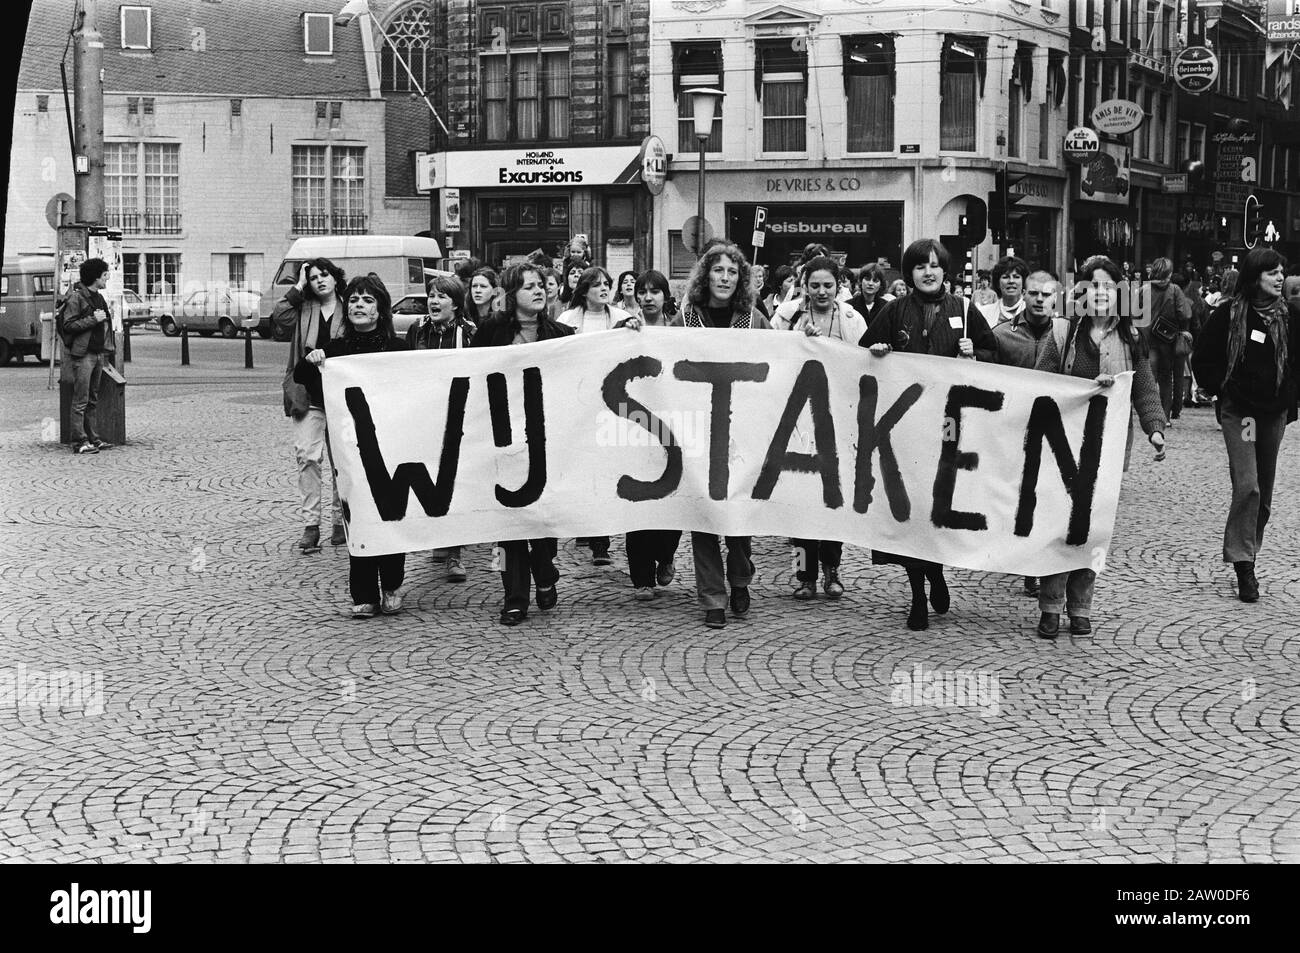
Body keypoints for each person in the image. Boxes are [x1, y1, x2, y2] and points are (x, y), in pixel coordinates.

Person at [860, 238, 997, 632]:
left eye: (935, 265)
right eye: (921, 266)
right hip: (905, 428)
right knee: (911, 510)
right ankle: (918, 592)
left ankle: (935, 572)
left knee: (940, 508)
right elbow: (863, 354)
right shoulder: (893, 310)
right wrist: (879, 351)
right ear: (910, 272)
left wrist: (977, 354)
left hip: (950, 427)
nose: (928, 272)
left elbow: (995, 358)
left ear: (945, 271)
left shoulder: (965, 311)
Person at [1033, 255, 1167, 638]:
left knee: (1093, 526)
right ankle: (1050, 605)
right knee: (1060, 523)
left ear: (1120, 292)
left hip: (1108, 446)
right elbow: (1040, 384)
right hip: (1064, 443)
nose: (1100, 293)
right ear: (1081, 292)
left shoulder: (1132, 337)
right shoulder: (1063, 333)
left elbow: (1144, 387)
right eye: (1093, 285)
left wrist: (1154, 428)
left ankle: (1080, 606)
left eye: (1108, 286)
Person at [292, 274, 408, 618]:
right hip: (351, 447)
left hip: (391, 442)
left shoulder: (398, 349)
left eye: (367, 300)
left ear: (380, 309)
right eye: (354, 299)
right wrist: (312, 359)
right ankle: (364, 593)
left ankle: (391, 584)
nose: (359, 305)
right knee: (357, 516)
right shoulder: (337, 350)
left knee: (390, 514)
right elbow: (302, 376)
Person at [1190, 247, 1298, 604]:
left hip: (1273, 414)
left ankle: (1249, 550)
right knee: (1248, 484)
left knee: (1263, 492)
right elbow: (1202, 357)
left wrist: (1292, 399)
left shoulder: (1291, 317)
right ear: (1255, 278)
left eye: (1281, 271)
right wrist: (1222, 388)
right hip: (1244, 414)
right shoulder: (1230, 315)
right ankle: (1243, 563)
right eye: (1272, 272)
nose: (1280, 277)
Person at [470, 263, 575, 625]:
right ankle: (514, 596)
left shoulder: (561, 333)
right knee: (508, 520)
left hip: (547, 439)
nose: (538, 291)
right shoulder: (490, 332)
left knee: (544, 517)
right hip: (503, 437)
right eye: (528, 286)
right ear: (511, 294)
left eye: (541, 285)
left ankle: (545, 572)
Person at [678, 242, 773, 629]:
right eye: (718, 271)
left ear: (741, 279)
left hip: (741, 430)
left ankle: (739, 577)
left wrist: (807, 337)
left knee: (736, 511)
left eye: (732, 272)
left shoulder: (753, 318)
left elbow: (780, 357)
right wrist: (636, 333)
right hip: (699, 430)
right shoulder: (686, 321)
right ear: (706, 276)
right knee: (703, 514)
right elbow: (662, 357)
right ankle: (712, 596)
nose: (725, 278)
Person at [773, 255, 868, 601]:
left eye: (828, 285)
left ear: (839, 286)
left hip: (838, 420)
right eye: (814, 285)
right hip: (797, 421)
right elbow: (771, 356)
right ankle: (804, 576)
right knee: (800, 503)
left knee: (832, 500)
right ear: (804, 286)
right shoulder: (787, 316)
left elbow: (865, 362)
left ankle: (832, 570)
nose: (821, 291)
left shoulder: (852, 318)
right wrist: (799, 340)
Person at [992, 269, 1072, 598]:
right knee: (1021, 496)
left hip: (1056, 430)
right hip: (1015, 429)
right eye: (1034, 293)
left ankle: (1037, 566)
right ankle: (1022, 556)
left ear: (1057, 298)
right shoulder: (1001, 335)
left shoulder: (1069, 336)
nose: (1040, 300)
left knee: (1048, 499)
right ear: (1023, 295)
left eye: (1047, 294)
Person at [616, 269, 685, 600]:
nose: (646, 296)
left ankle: (666, 555)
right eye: (642, 291)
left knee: (672, 499)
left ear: (664, 295)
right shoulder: (626, 329)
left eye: (654, 291)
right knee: (638, 501)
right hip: (636, 427)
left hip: (674, 426)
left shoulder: (681, 331)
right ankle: (641, 577)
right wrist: (624, 335)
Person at [273, 257, 348, 552]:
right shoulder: (304, 309)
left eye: (324, 274)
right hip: (309, 396)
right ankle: (311, 525)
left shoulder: (348, 306)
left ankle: (340, 522)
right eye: (313, 277)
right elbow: (279, 315)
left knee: (342, 462)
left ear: (334, 277)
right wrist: (299, 286)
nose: (319, 280)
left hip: (341, 398)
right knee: (307, 457)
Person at [557, 265, 630, 566]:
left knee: (609, 468)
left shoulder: (623, 319)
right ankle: (591, 530)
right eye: (597, 284)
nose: (604, 288)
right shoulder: (566, 320)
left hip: (613, 405)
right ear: (584, 289)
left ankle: (603, 539)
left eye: (607, 284)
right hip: (581, 403)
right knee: (588, 470)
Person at [406, 274, 476, 583]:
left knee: (454, 481)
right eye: (431, 295)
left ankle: (454, 553)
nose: (434, 301)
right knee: (430, 477)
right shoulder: (416, 330)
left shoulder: (470, 333)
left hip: (460, 415)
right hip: (426, 414)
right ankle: (438, 536)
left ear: (456, 303)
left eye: (441, 296)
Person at [61, 258, 115, 455]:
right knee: (81, 399)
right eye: (104, 275)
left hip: (98, 353)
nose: (107, 278)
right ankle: (79, 441)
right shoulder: (76, 298)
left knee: (92, 398)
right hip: (83, 355)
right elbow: (68, 325)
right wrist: (93, 319)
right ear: (96, 277)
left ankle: (93, 438)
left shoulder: (98, 297)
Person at [1143, 257, 1192, 426]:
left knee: (1149, 378)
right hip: (1167, 339)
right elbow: (1184, 314)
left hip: (1147, 339)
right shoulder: (1175, 289)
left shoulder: (1143, 290)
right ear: (1169, 273)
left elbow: (1134, 314)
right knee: (1166, 378)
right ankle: (1165, 416)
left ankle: (1149, 414)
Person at [977, 255, 1029, 326]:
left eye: (1016, 277)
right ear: (998, 283)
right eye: (1005, 277)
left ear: (1023, 282)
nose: (1011, 281)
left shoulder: (1031, 312)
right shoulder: (984, 313)